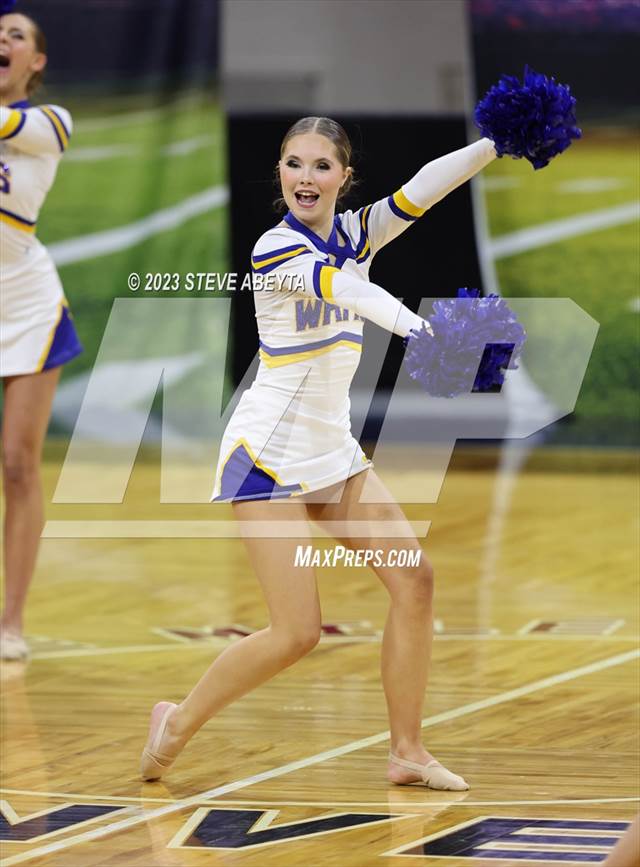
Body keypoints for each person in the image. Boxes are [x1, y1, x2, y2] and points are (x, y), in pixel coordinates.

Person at [141, 116, 496, 789]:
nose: (306, 177)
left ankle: (407, 750)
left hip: (331, 450)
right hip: (267, 454)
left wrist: (493, 143)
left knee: (414, 580)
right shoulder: (275, 249)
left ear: (344, 176)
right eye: (294, 164)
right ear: (281, 174)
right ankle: (177, 722)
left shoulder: (357, 232)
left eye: (320, 166)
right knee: (296, 630)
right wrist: (427, 332)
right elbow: (347, 290)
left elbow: (421, 191)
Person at [0, 10, 82, 660]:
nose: (3, 40)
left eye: (16, 35)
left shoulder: (51, 123)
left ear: (37, 61)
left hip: (25, 301)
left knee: (18, 464)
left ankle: (12, 622)